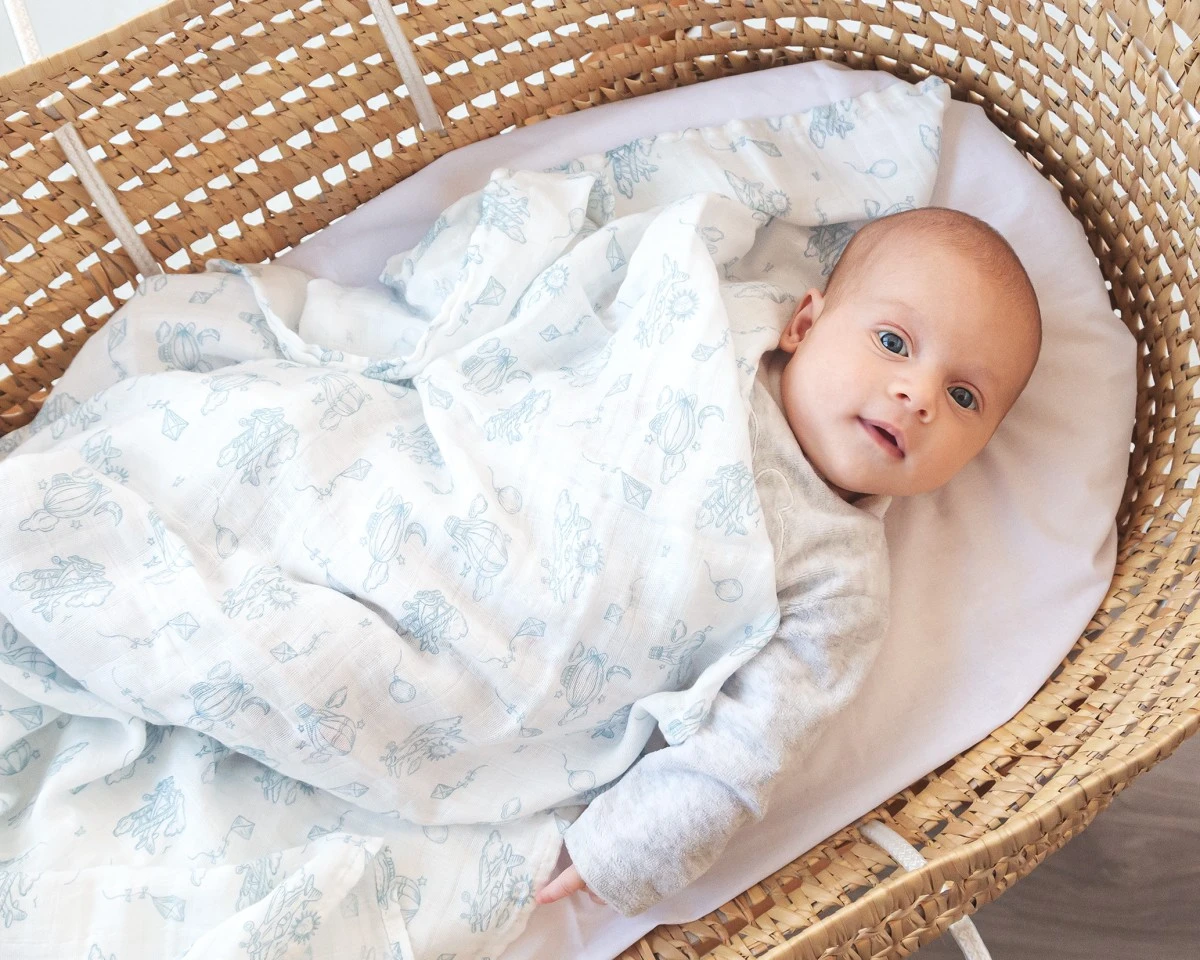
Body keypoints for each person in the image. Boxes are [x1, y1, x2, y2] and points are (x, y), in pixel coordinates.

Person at [535, 205, 1042, 913]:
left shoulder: (843, 579)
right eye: (894, 341)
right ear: (804, 325)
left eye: (963, 396)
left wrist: (623, 848)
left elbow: (750, 744)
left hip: (553, 651)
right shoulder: (720, 343)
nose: (918, 395)